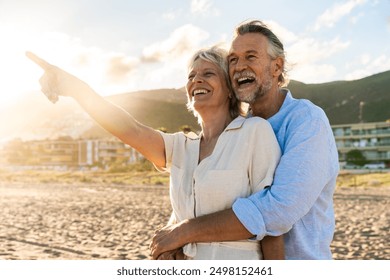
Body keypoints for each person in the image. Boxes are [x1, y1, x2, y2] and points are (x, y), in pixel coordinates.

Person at [27, 46, 283, 260]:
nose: (197, 80)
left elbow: (272, 223)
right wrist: (76, 88)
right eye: (191, 76)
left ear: (229, 88)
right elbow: (130, 129)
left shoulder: (254, 132)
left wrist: (182, 232)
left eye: (208, 74)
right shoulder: (182, 146)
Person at [150, 20, 339, 260]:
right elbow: (208, 197)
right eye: (233, 60)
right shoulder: (238, 130)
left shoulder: (307, 121)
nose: (240, 66)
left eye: (251, 57)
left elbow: (277, 210)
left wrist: (186, 232)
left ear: (277, 66)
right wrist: (176, 239)